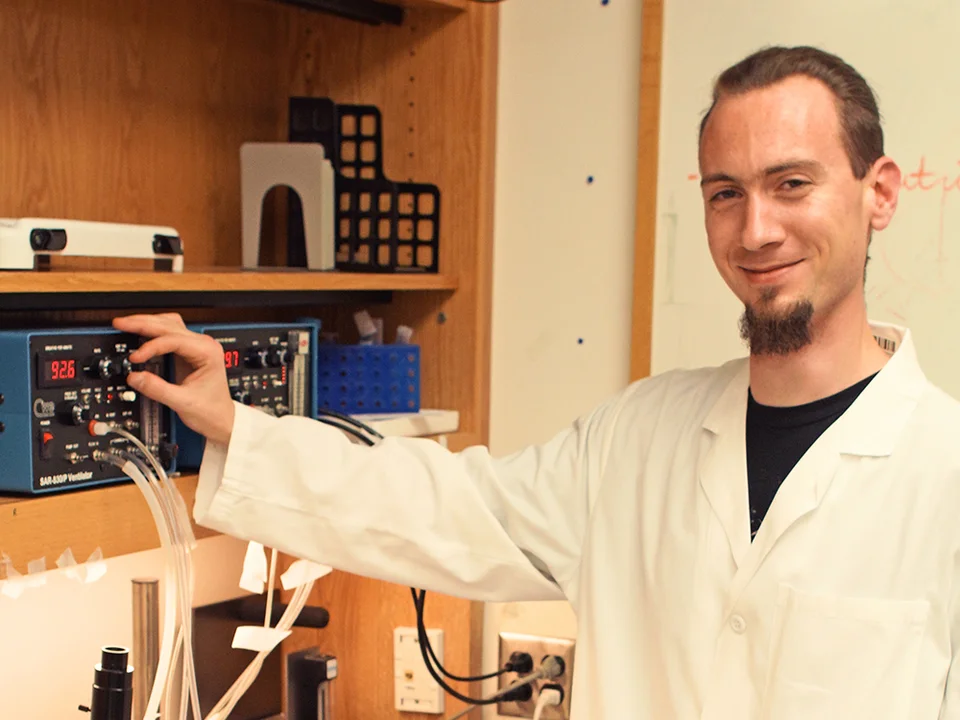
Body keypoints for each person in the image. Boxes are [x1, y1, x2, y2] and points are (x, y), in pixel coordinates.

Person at [114, 45, 960, 719]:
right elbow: (441, 508)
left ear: (879, 194)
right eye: (725, 193)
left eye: (792, 185)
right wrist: (236, 427)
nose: (756, 229)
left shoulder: (944, 475)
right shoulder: (639, 437)